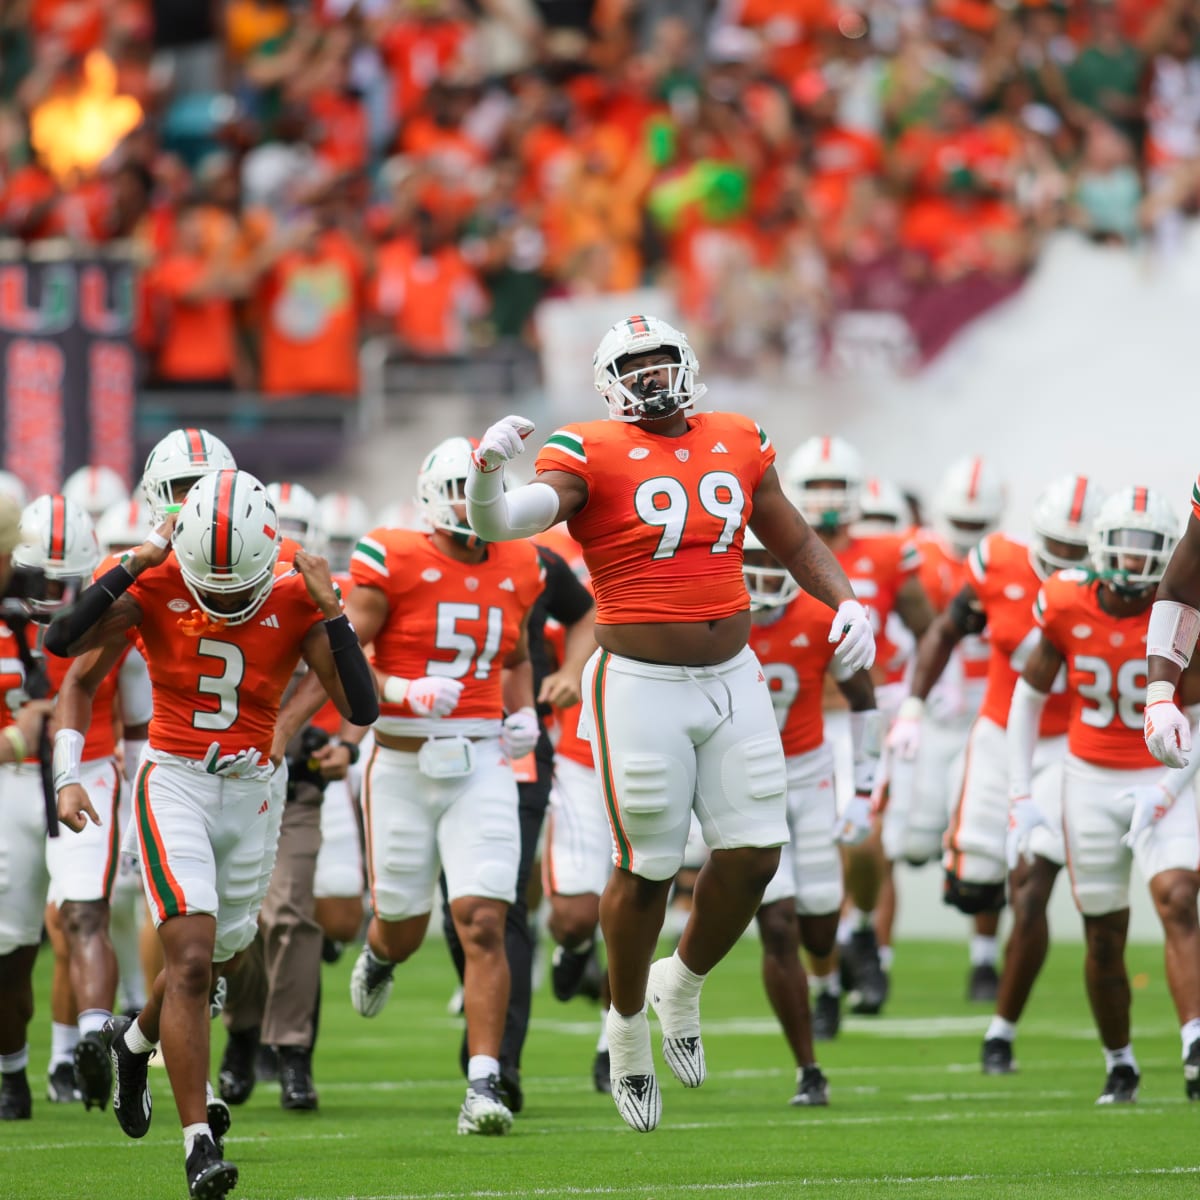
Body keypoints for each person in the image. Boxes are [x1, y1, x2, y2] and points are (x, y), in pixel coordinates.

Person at [464, 314, 874, 1132]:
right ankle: (623, 1028)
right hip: (640, 683)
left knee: (756, 856)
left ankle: (677, 983)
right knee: (648, 865)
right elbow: (504, 522)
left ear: (685, 363)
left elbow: (792, 537)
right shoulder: (587, 450)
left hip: (733, 674)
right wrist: (485, 474)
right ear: (611, 381)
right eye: (633, 366)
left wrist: (847, 600)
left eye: (659, 361)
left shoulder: (738, 436)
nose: (650, 377)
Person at [44, 469, 378, 1199]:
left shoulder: (295, 589)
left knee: (218, 962)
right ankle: (198, 1144)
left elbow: (363, 706)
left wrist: (334, 614)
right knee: (191, 960)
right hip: (176, 782)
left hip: (255, 793)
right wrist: (134, 561)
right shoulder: (156, 575)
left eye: (239, 585)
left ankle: (136, 1043)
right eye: (211, 582)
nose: (224, 597)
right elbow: (61, 641)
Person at [342, 436, 544, 1136]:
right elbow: (343, 654)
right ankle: (379, 956)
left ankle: (483, 1084)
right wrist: (398, 684)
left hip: (481, 762)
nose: (467, 503)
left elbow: (516, 653)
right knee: (400, 927)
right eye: (455, 489)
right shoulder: (392, 555)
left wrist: (522, 715)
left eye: (476, 489)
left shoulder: (522, 560)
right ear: (431, 496)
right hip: (399, 762)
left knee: (484, 920)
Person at [894, 474, 1103, 1071]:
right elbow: (946, 630)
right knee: (972, 885)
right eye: (1055, 545)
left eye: (1075, 549)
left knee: (1031, 884)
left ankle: (1002, 1027)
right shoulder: (995, 563)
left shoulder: (1117, 587)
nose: (1063, 557)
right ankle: (988, 950)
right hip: (999, 730)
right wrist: (913, 705)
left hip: (1071, 743)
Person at [1009, 486, 1200, 1103]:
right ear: (1100, 545)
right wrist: (1019, 792)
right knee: (1102, 931)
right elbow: (1028, 694)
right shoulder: (1064, 601)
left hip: (1161, 770)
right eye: (1127, 544)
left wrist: (1168, 792)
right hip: (1088, 778)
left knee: (1176, 896)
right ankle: (1120, 1061)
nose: (1137, 561)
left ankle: (1195, 1041)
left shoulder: (1181, 614)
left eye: (1151, 548)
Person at [440, 530, 596, 1112]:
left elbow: (587, 616)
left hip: (515, 742)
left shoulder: (538, 562)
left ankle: (500, 1059)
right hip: (437, 742)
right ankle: (484, 1010)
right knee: (452, 907)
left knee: (499, 905)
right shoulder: (406, 560)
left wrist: (573, 671)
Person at [782, 434, 934, 1026]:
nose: (823, 498)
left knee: (864, 838)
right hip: (799, 713)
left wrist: (923, 694)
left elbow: (931, 629)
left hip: (871, 709)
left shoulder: (889, 552)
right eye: (813, 486)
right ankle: (826, 971)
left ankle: (862, 930)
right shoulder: (771, 551)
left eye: (832, 486)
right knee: (798, 857)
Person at [9, 495, 154, 1112]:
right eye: (44, 580)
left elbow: (140, 725)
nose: (55, 596)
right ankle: (14, 1071)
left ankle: (91, 1044)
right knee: (12, 947)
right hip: (10, 776)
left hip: (91, 770)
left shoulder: (117, 615)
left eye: (70, 583)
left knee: (83, 917)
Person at [744, 529, 881, 1107]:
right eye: (751, 563)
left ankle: (828, 979)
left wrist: (864, 789)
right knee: (777, 925)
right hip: (745, 781)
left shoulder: (819, 612)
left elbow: (864, 701)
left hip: (809, 772)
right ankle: (808, 1068)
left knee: (819, 922)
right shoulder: (712, 615)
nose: (763, 576)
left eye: (773, 562)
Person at [0, 494, 62, 1120]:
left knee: (14, 953)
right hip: (13, 769)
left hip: (32, 787)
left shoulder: (29, 608)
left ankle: (17, 1069)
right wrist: (18, 736)